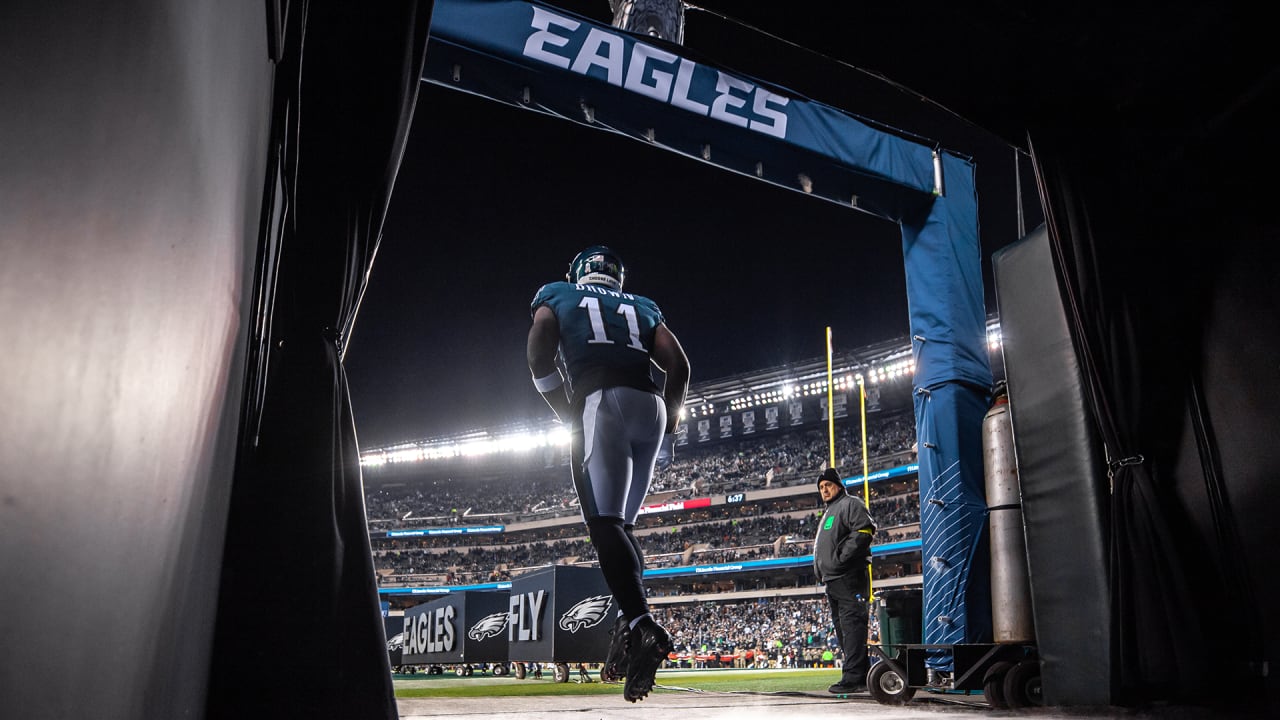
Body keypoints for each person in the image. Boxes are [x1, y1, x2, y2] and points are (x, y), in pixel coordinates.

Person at [527, 245, 690, 703]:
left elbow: (539, 352)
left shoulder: (558, 294)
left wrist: (565, 410)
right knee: (623, 527)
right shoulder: (642, 306)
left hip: (600, 401)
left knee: (604, 524)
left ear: (578, 272)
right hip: (652, 407)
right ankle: (628, 617)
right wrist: (671, 423)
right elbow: (679, 365)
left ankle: (641, 626)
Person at [812, 468, 876, 694]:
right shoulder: (829, 512)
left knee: (852, 626)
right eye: (821, 487)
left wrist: (841, 559)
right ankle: (857, 674)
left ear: (839, 485)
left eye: (828, 485)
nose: (824, 490)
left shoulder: (850, 504)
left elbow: (865, 530)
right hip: (833, 580)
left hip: (849, 576)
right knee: (844, 630)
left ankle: (854, 678)